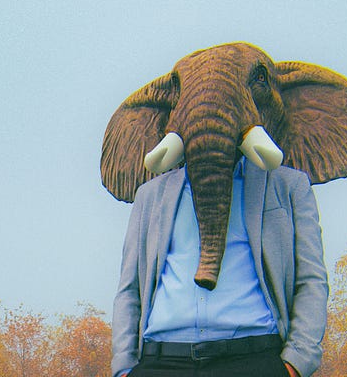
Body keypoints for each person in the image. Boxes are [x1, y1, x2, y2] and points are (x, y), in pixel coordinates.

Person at [111, 159, 327, 377]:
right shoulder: (149, 195)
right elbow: (129, 289)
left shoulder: (289, 185)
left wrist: (297, 362)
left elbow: (311, 279)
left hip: (253, 358)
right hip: (162, 360)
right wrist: (124, 367)